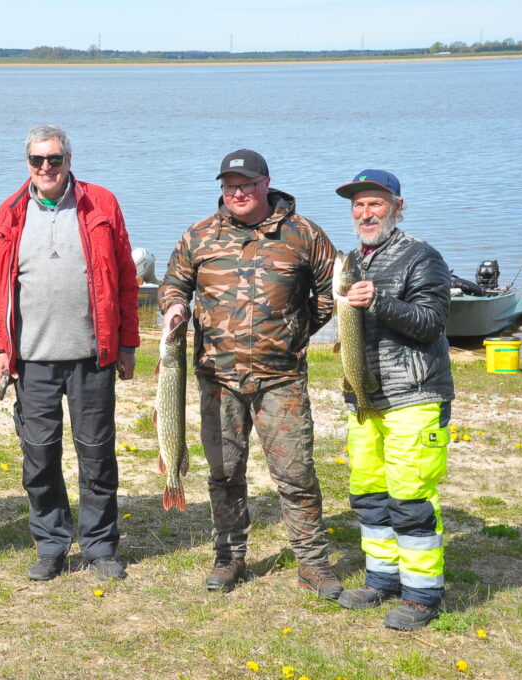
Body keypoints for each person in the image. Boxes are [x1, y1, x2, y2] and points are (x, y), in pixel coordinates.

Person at [158, 149, 342, 599]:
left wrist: (293, 331)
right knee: (224, 474)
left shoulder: (304, 234)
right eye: (229, 185)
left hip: (281, 380)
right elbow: (172, 285)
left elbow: (329, 293)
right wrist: (175, 307)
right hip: (217, 378)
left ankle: (313, 564)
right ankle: (229, 556)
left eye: (246, 184)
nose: (238, 192)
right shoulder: (198, 236)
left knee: (296, 476)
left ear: (266, 184)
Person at [0, 125, 140, 582]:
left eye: (55, 159)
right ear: (28, 165)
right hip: (32, 359)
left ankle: (99, 547)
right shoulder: (10, 212)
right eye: (38, 161)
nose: (47, 168)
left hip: (93, 357)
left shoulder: (102, 203)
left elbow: (127, 279)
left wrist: (128, 343)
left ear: (69, 159)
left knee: (96, 454)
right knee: (40, 455)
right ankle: (51, 543)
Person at [333, 170, 454, 630]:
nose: (365, 214)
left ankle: (422, 595)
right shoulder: (355, 262)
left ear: (397, 207)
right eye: (358, 206)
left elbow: (430, 323)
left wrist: (378, 301)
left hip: (416, 394)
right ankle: (381, 578)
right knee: (368, 492)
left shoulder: (422, 256)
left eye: (376, 204)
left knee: (410, 495)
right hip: (364, 398)